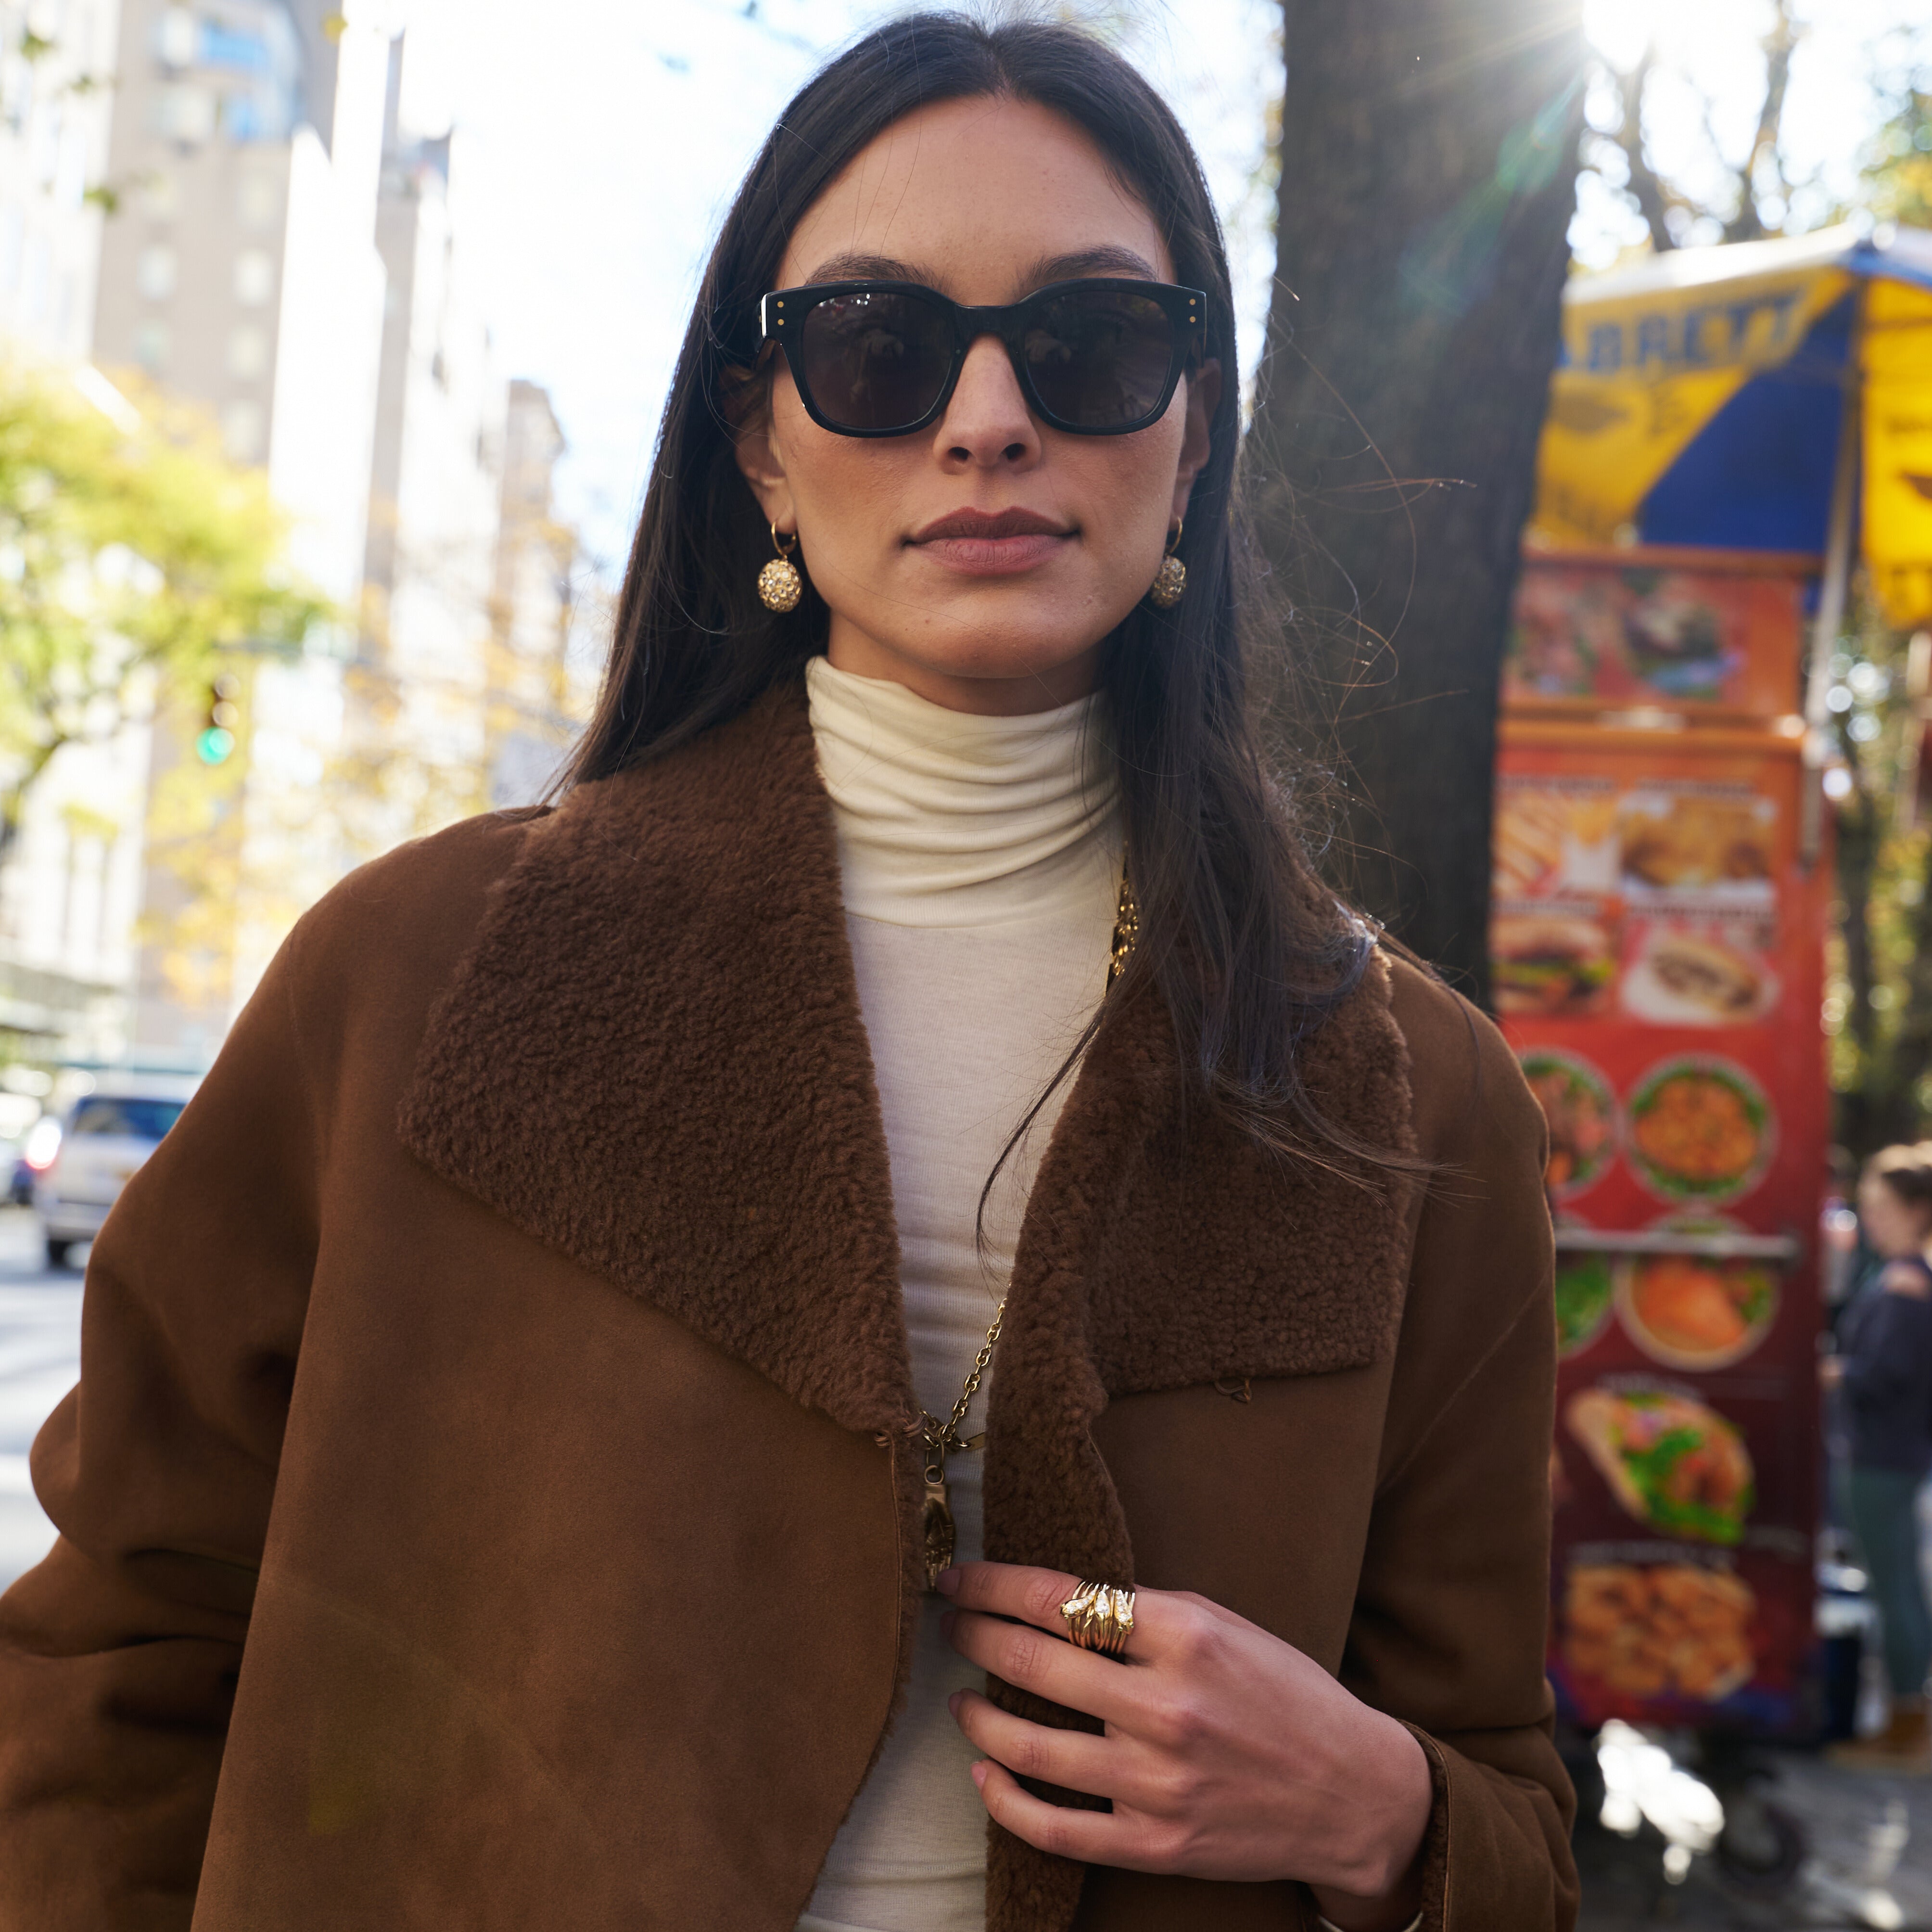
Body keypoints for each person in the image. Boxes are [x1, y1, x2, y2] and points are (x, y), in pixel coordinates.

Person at [0, 16, 1576, 1931]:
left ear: (1193, 425)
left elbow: (1508, 1814)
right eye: (877, 349)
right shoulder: (413, 982)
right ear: (759, 439)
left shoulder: (1408, 1098)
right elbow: (113, 1659)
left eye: (1088, 344)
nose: (984, 418)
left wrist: (1385, 1812)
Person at [1822, 1143, 1932, 1773]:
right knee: (1896, 1586)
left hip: (1884, 1456)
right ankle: (1904, 1715)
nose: (1873, 1218)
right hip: (1887, 1453)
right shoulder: (1896, 1275)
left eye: (1883, 1208)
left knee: (1896, 1591)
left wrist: (1836, 1374)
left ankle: (1907, 1725)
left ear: (1915, 1210)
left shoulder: (1906, 1283)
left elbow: (1887, 1375)